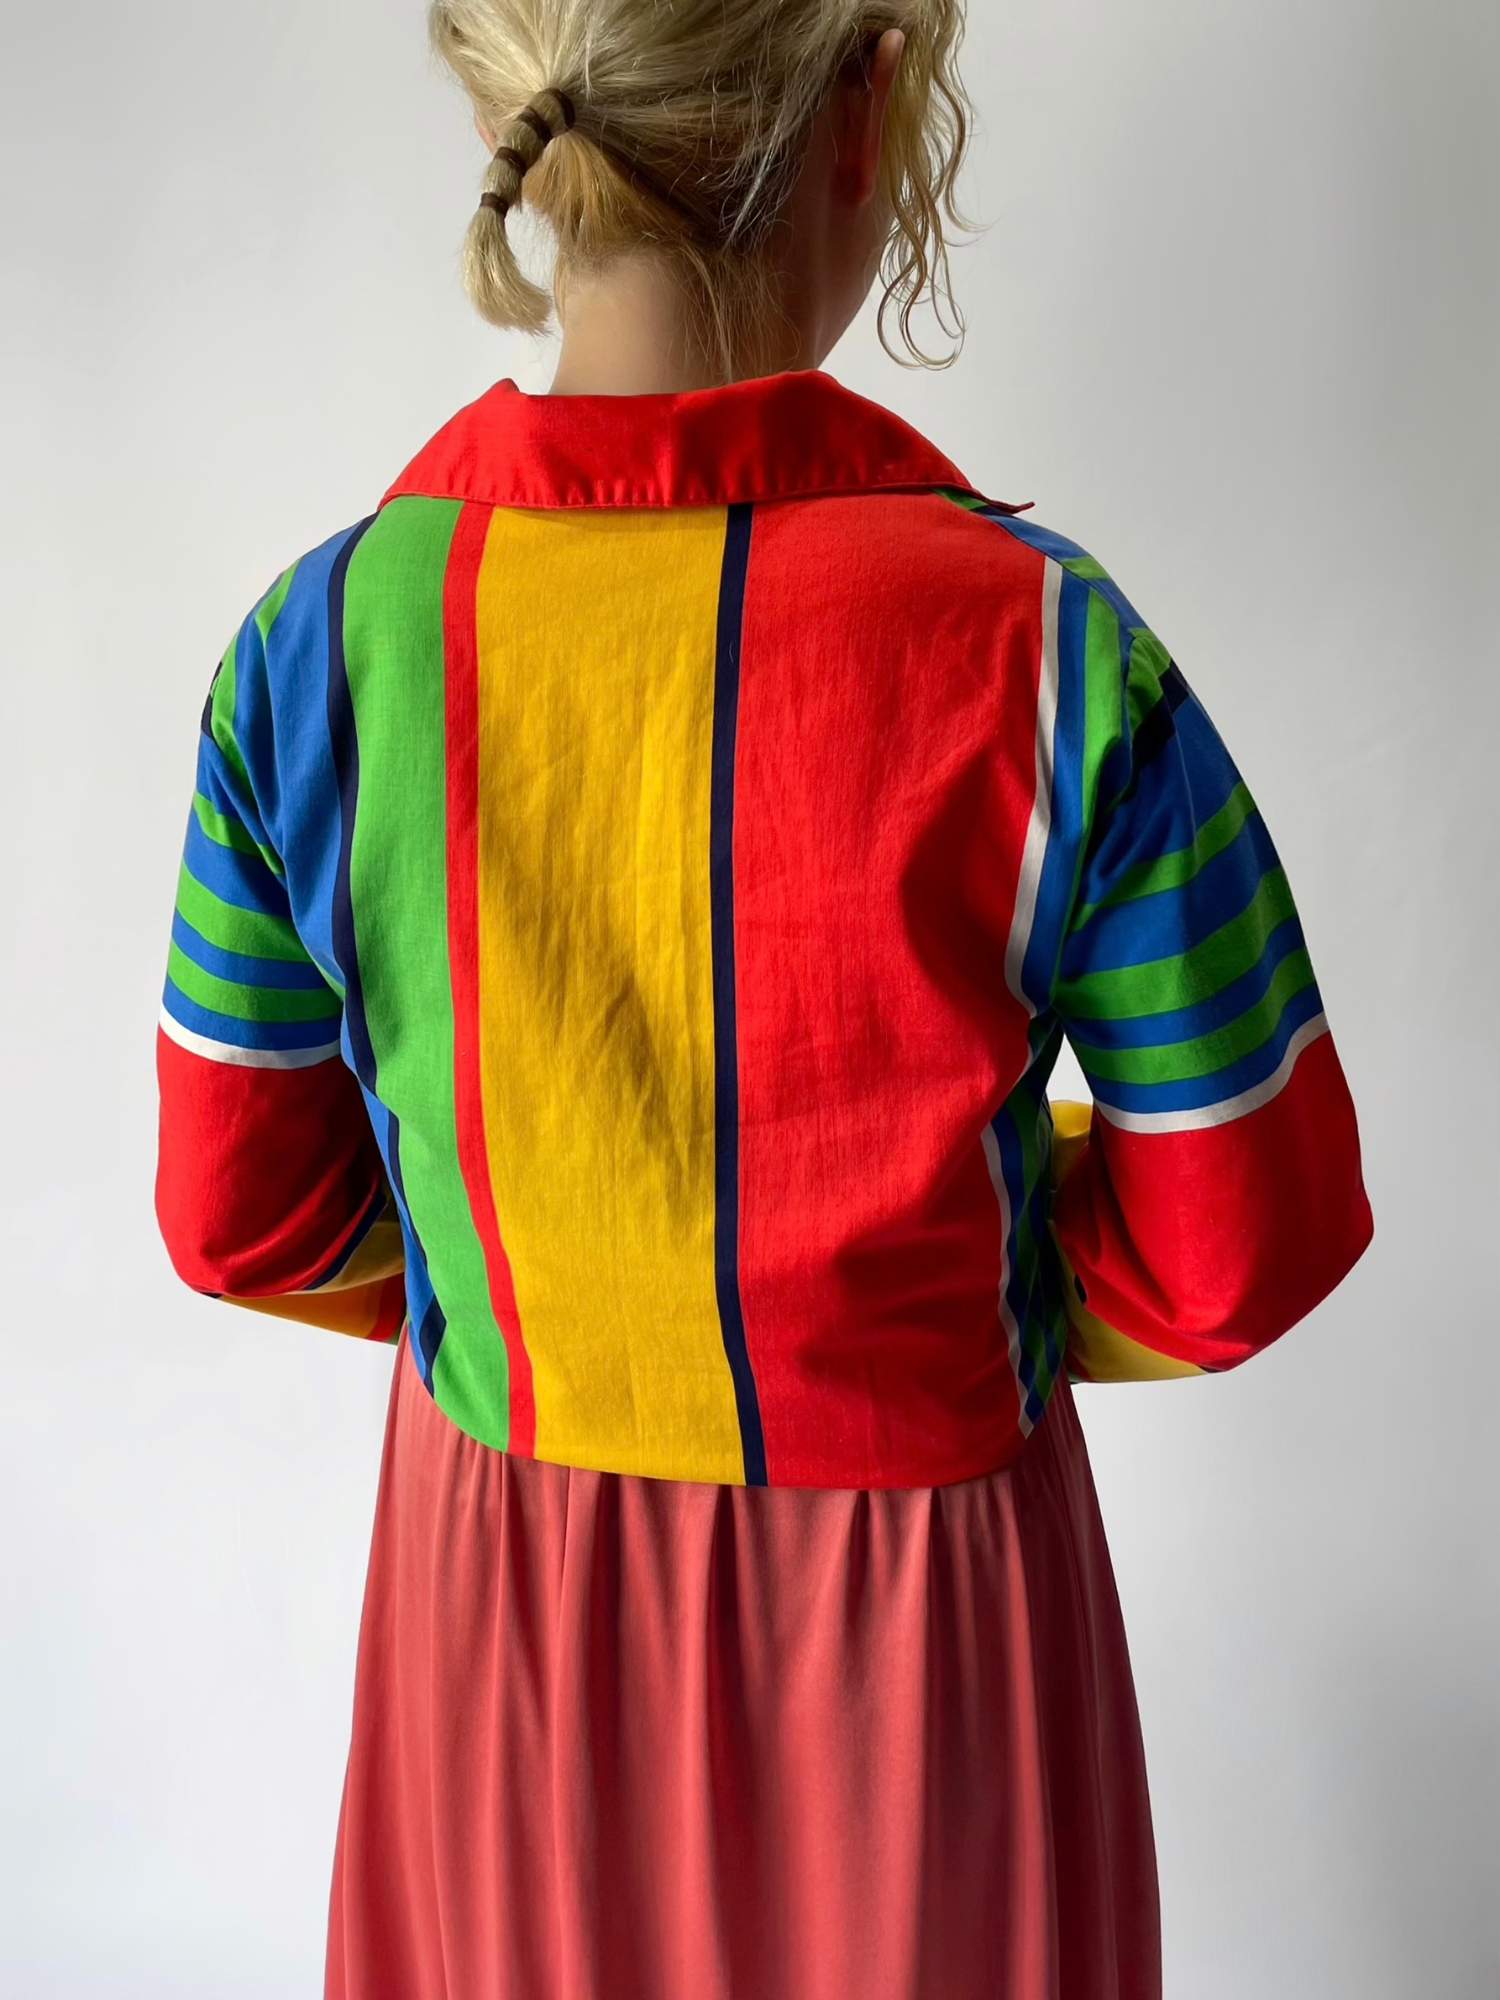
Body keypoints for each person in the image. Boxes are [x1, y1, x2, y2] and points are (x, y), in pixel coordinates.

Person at [152, 4, 1374, 1996]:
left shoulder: (316, 654)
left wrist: (565, 1250)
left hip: (506, 1624)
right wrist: (911, 1266)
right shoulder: (1045, 654)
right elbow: (1244, 1238)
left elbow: (240, 1213)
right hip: (925, 1639)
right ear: (865, 106)